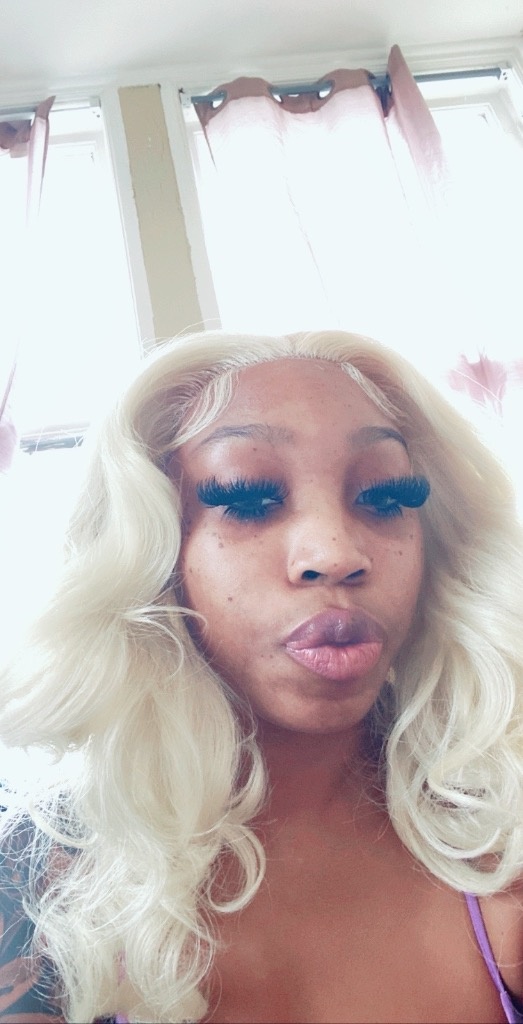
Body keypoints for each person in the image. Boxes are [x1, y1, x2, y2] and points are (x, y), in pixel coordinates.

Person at [0, 329, 522, 1024]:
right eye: (247, 498)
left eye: (384, 496)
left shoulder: (499, 843)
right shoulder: (38, 881)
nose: (335, 553)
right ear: (151, 551)